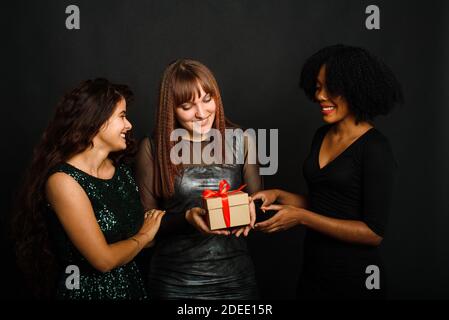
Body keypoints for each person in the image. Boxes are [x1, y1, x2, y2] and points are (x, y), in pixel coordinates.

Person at [252, 44, 403, 299]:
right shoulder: (321, 135)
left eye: (330, 88)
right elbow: (326, 205)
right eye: (318, 87)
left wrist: (300, 217)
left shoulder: (376, 147)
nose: (320, 96)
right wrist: (277, 194)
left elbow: (373, 233)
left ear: (356, 89)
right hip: (313, 272)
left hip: (356, 279)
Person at [13, 78, 165, 299]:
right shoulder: (63, 181)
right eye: (122, 116)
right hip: (87, 293)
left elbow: (149, 236)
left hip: (132, 289)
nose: (129, 125)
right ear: (97, 120)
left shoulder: (121, 172)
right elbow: (103, 260)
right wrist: (144, 235)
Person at [135, 59, 262, 299]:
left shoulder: (242, 139)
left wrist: (250, 207)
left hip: (235, 279)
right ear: (170, 108)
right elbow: (146, 225)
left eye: (207, 99)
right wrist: (187, 218)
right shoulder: (152, 147)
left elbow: (259, 205)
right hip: (174, 281)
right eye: (187, 106)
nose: (202, 113)